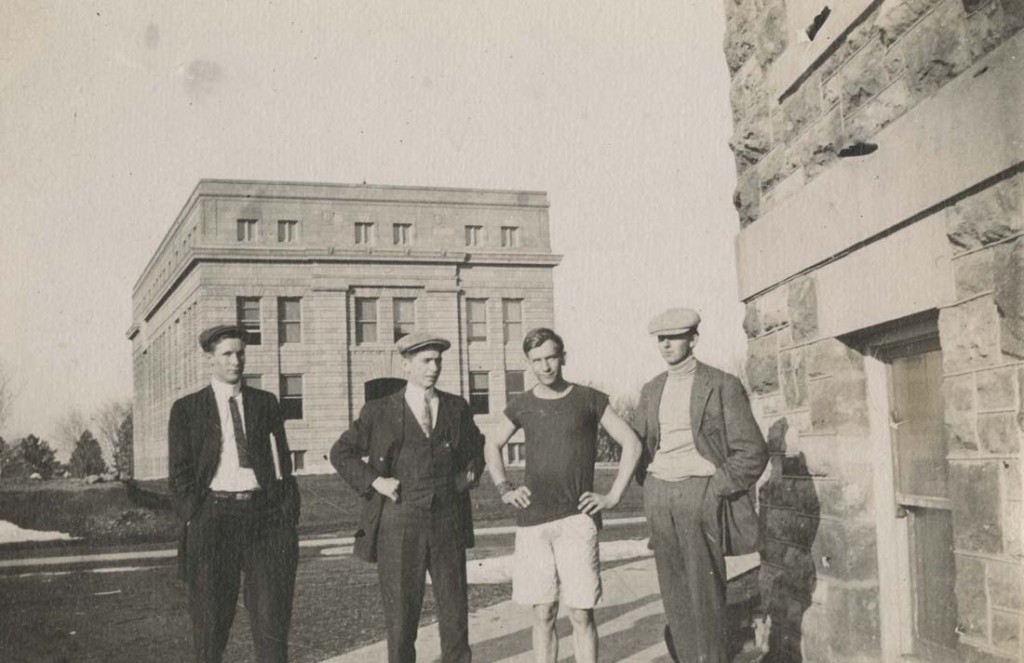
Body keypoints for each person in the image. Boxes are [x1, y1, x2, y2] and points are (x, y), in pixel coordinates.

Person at [484, 327, 642, 663]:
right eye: (537, 360)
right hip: (533, 522)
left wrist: (612, 496)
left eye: (551, 357)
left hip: (577, 520)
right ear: (529, 363)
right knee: (543, 612)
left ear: (563, 357)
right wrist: (504, 489)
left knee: (581, 614)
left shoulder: (588, 398)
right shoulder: (522, 404)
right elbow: (492, 444)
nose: (545, 366)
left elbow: (632, 443)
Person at [330, 331, 485, 663]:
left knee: (455, 612)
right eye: (426, 361)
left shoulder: (457, 407)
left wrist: (471, 472)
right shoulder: (379, 411)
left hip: (448, 522)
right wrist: (376, 481)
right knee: (401, 617)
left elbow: (476, 449)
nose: (434, 368)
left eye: (438, 361)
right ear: (406, 364)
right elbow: (340, 453)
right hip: (399, 523)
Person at [634, 308, 768, 663]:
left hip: (701, 492)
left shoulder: (721, 384)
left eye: (674, 337)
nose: (665, 344)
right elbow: (640, 448)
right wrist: (649, 487)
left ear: (692, 339)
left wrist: (715, 487)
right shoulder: (650, 390)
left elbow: (753, 451)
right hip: (660, 494)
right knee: (675, 595)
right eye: (660, 339)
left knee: (705, 594)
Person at [168, 324, 301, 663]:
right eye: (227, 354)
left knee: (272, 623)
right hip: (214, 520)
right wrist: (195, 515)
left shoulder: (266, 403)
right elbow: (180, 475)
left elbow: (282, 466)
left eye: (240, 353)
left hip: (265, 520)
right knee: (210, 627)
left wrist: (286, 516)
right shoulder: (187, 409)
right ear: (210, 358)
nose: (235, 361)